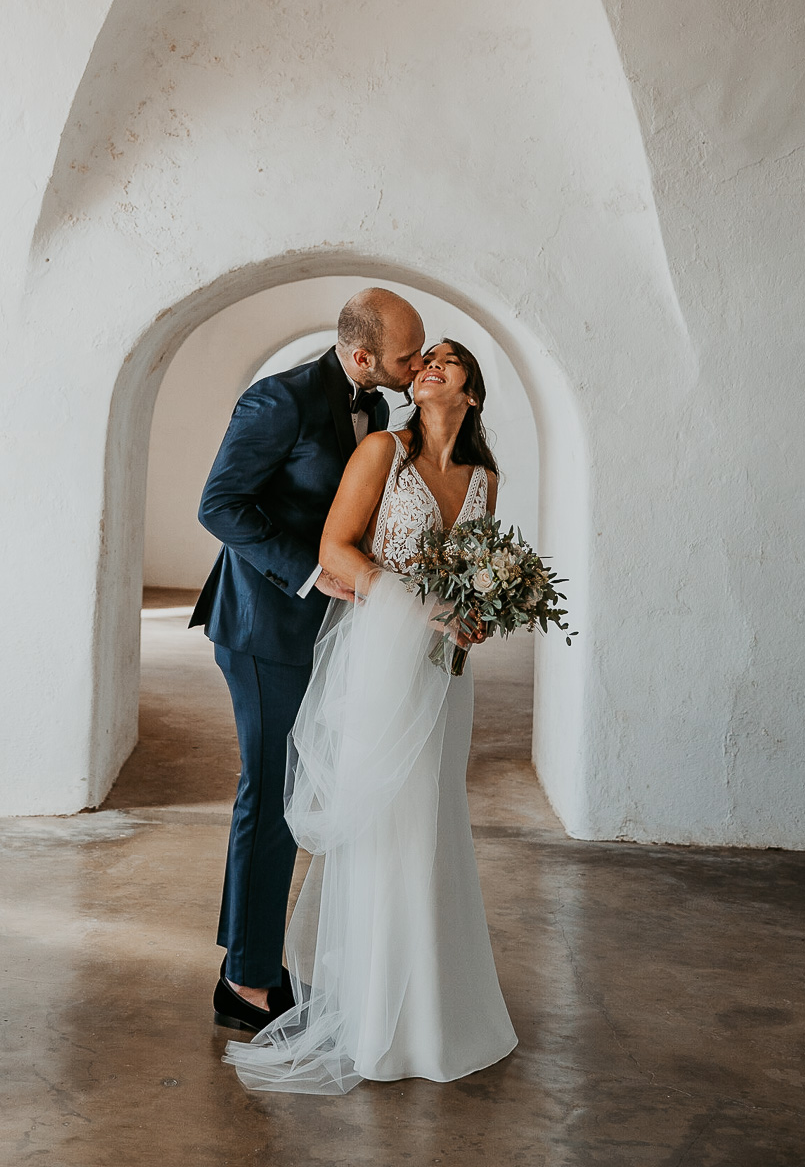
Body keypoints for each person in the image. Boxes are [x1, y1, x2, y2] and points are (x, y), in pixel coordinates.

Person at [224, 339, 519, 1094]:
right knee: (388, 820)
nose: (429, 365)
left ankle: (430, 1006)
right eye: (424, 358)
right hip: (379, 660)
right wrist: (422, 605)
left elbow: (475, 573)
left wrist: (477, 614)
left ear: (473, 393)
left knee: (435, 820)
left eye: (449, 361)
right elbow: (336, 549)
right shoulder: (383, 451)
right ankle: (371, 1011)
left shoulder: (485, 478)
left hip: (444, 675)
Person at [192, 288, 427, 1031]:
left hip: (320, 632)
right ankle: (249, 982)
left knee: (292, 794)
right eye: (406, 356)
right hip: (263, 626)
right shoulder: (278, 401)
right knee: (272, 796)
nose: (417, 366)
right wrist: (310, 571)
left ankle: (249, 962)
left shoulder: (380, 409)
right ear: (362, 357)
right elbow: (220, 506)